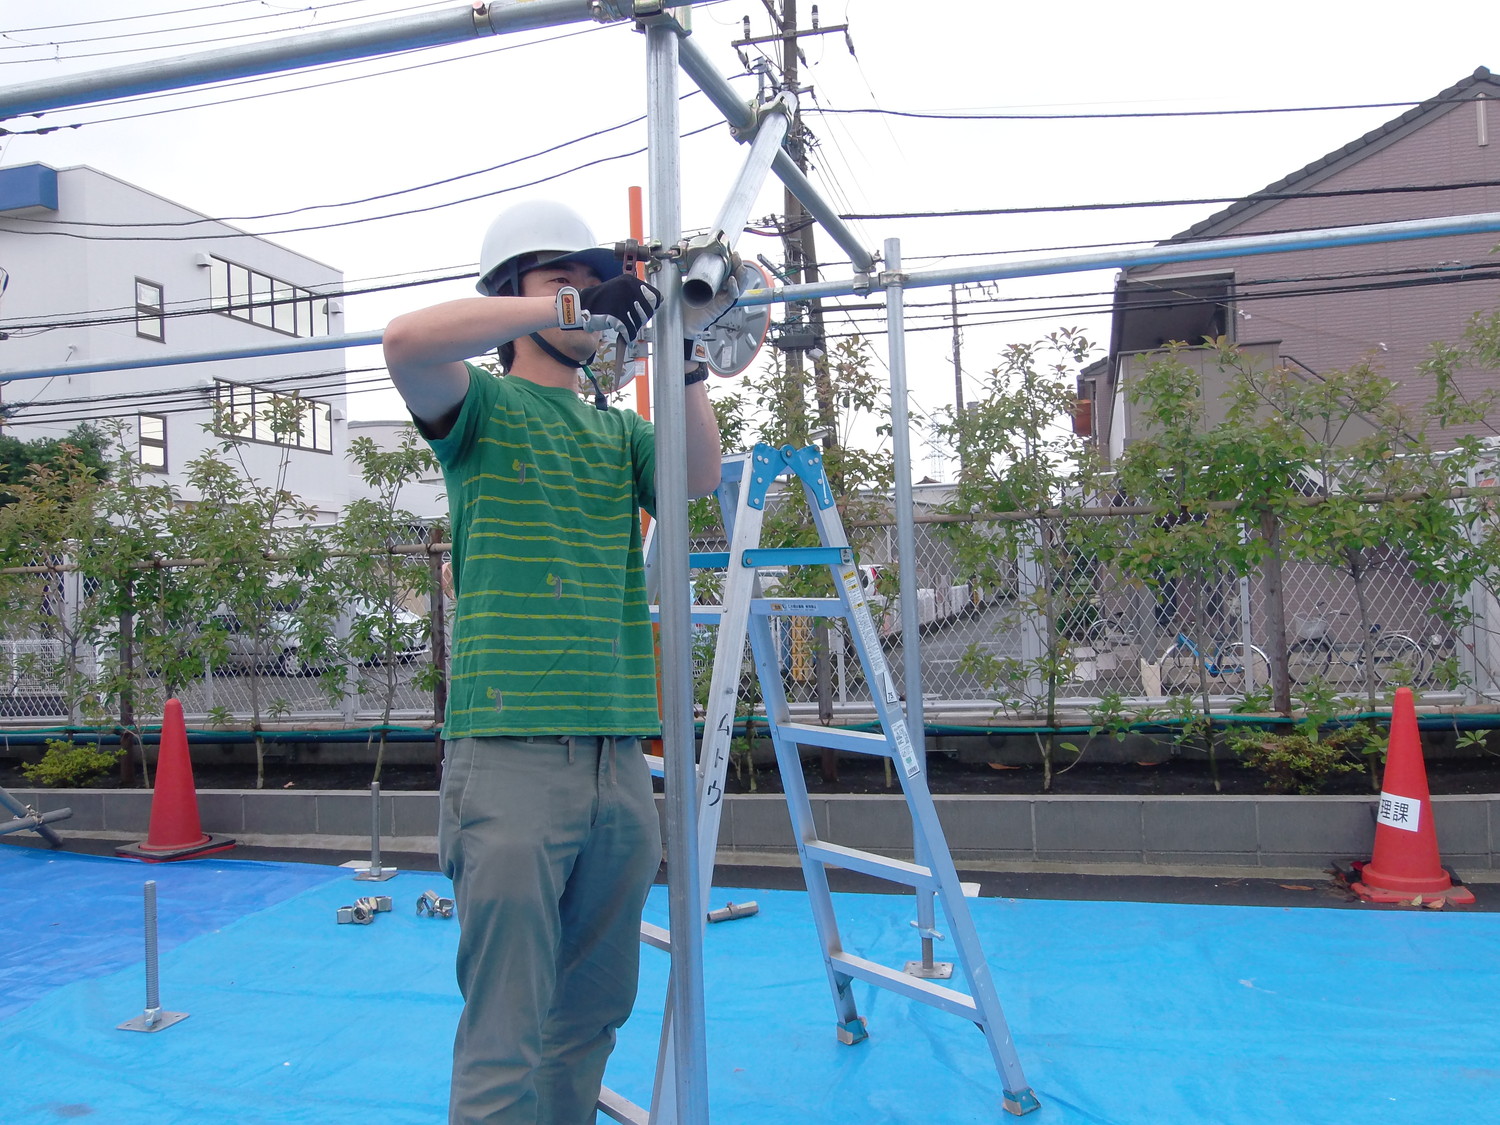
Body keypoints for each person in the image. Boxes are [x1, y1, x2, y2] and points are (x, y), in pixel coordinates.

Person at [383, 198, 724, 1124]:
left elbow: (698, 475)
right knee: (506, 1029)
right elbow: (405, 341)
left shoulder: (616, 433)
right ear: (512, 294)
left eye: (591, 280)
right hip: (511, 755)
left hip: (617, 754)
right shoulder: (479, 408)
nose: (583, 295)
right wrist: (570, 308)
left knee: (590, 1015)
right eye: (558, 277)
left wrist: (687, 352)